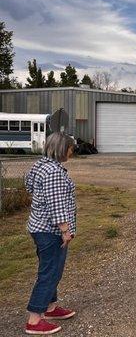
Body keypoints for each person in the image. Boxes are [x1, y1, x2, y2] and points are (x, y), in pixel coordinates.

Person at [24, 132, 77, 335]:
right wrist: (65, 231)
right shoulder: (53, 172)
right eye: (71, 148)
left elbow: (28, 184)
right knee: (50, 272)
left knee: (51, 269)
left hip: (39, 227)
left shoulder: (41, 165)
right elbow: (57, 205)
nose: (72, 152)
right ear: (62, 148)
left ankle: (50, 308)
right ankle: (35, 320)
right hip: (50, 230)